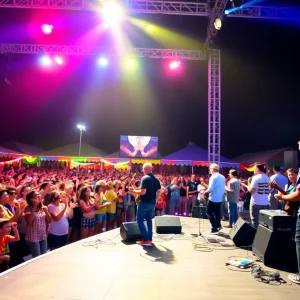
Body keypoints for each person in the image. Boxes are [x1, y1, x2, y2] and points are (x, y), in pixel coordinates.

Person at [275, 168, 300, 284]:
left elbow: (296, 196)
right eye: (288, 175)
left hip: (296, 214)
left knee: (298, 239)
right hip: (291, 213)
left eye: (292, 174)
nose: (290, 176)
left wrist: (283, 197)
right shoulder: (288, 185)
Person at [129, 163, 161, 246]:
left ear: (146, 169)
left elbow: (143, 192)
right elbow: (159, 191)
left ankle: (145, 239)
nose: (142, 171)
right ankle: (149, 238)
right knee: (149, 219)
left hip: (144, 202)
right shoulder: (156, 179)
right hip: (152, 203)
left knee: (139, 220)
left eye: (143, 169)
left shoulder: (145, 178)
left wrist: (133, 191)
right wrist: (155, 200)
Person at [241, 163, 270, 229]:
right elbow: (269, 191)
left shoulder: (255, 178)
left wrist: (245, 186)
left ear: (257, 169)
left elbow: (251, 190)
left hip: (256, 202)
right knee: (263, 222)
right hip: (265, 202)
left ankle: (255, 237)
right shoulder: (268, 178)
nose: (253, 170)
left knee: (255, 221)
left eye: (254, 168)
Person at [204, 164, 225, 233]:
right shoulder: (222, 177)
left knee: (208, 212)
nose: (209, 170)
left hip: (213, 198)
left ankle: (214, 227)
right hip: (219, 198)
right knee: (217, 212)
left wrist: (205, 192)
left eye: (210, 168)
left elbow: (211, 188)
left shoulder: (213, 177)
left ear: (213, 169)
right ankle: (219, 225)